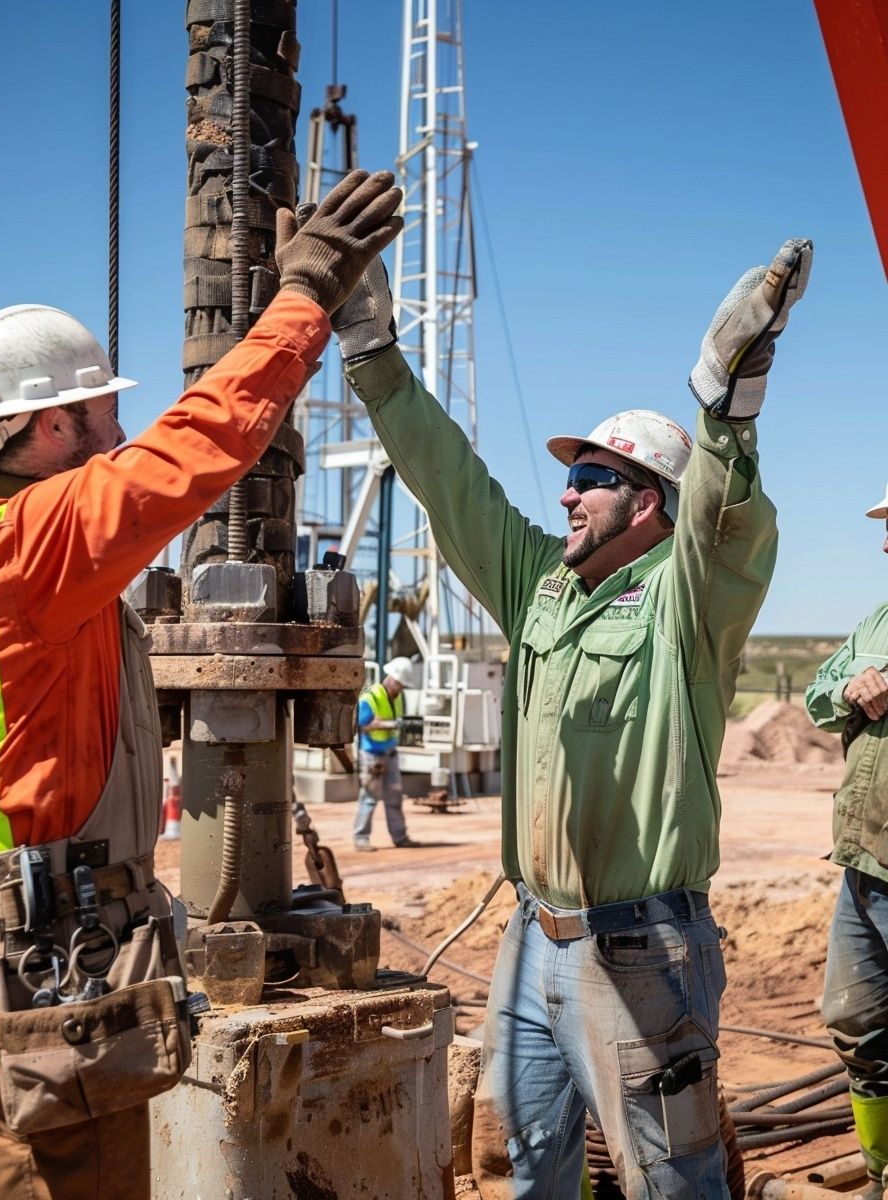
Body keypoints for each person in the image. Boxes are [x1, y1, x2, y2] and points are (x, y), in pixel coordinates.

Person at [0, 169, 402, 1200]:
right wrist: (306, 294)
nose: (117, 429)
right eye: (102, 410)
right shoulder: (31, 545)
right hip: (49, 964)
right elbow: (201, 446)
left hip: (15, 943)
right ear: (51, 426)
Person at [329, 237, 812, 1197]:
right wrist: (370, 349)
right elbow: (453, 483)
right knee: (531, 1168)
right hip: (529, 940)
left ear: (651, 505)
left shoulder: (687, 602)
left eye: (593, 477)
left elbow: (729, 521)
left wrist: (728, 406)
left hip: (643, 949)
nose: (566, 491)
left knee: (672, 1178)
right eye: (573, 473)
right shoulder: (541, 589)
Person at [806, 484, 888, 1198]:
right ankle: (882, 1171)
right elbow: (815, 694)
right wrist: (849, 688)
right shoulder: (876, 622)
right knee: (856, 1018)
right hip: (864, 859)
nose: (886, 542)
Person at [353, 656, 417, 851]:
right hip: (372, 755)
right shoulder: (371, 697)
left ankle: (400, 837)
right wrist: (376, 725)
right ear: (392, 680)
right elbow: (357, 725)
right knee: (369, 797)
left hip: (390, 753)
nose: (401, 689)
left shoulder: (395, 698)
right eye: (400, 685)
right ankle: (361, 838)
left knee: (394, 798)